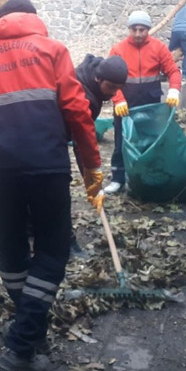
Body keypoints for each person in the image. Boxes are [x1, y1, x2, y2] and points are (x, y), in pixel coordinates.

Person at [0, 0, 103, 371]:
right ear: (35, 18)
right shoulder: (52, 50)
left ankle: (28, 332)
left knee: (12, 249)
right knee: (53, 251)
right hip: (48, 167)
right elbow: (78, 112)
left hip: (3, 172)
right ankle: (21, 345)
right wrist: (91, 166)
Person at [105, 10, 182, 194]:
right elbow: (108, 78)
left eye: (142, 29)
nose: (138, 34)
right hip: (125, 105)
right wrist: (118, 99)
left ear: (148, 29)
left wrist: (173, 89)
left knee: (150, 141)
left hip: (151, 103)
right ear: (129, 29)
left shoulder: (159, 48)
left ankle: (148, 177)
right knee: (121, 140)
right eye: (134, 29)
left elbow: (173, 71)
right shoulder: (118, 50)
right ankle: (118, 179)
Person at [68, 54, 127, 257]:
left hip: (53, 132)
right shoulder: (85, 96)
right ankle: (65, 241)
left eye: (117, 88)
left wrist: (90, 179)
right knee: (57, 183)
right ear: (98, 79)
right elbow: (82, 141)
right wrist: (91, 177)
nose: (113, 94)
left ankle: (31, 227)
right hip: (43, 134)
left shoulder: (90, 77)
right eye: (110, 87)